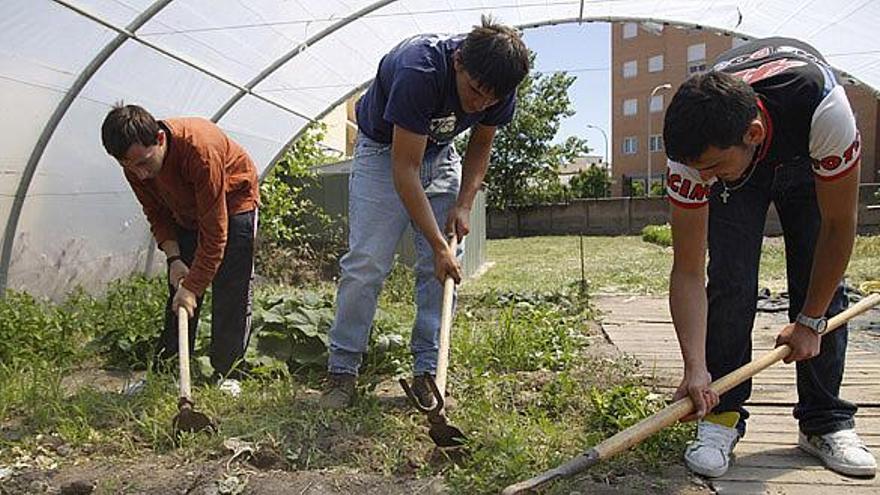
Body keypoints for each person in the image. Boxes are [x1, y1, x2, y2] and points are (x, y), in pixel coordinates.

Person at [662, 37, 876, 478]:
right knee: (729, 280)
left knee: (818, 278)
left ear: (753, 134)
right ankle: (720, 413)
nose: (703, 180)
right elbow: (686, 270)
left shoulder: (825, 109)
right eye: (697, 169)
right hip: (742, 155)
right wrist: (694, 367)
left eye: (712, 168)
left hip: (803, 149)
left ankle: (824, 421)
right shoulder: (693, 154)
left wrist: (811, 321)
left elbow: (839, 227)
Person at [320, 16, 530, 409]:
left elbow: (481, 145)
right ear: (459, 61)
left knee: (441, 273)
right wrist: (437, 243)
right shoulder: (419, 67)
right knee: (366, 263)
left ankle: (428, 372)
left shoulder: (499, 85)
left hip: (439, 153)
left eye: (492, 99)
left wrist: (464, 203)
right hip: (384, 155)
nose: (481, 103)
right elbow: (404, 169)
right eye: (475, 91)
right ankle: (342, 370)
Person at [101, 104, 260, 397]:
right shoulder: (136, 166)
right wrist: (175, 259)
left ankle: (228, 372)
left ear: (160, 139)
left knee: (230, 288)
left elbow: (215, 232)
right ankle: (166, 371)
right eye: (130, 166)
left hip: (233, 202)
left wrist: (195, 286)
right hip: (184, 210)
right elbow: (156, 213)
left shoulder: (201, 150)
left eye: (144, 163)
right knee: (177, 294)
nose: (141, 174)